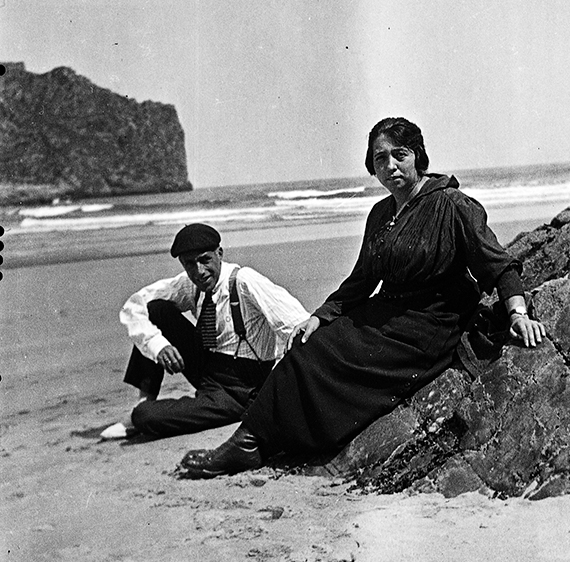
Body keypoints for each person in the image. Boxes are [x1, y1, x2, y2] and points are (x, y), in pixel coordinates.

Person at [178, 119, 546, 477]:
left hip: (429, 323)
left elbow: (496, 263)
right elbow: (361, 280)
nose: (390, 166)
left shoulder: (452, 205)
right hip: (386, 310)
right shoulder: (380, 213)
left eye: (399, 155)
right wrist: (320, 316)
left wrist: (517, 313)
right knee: (309, 347)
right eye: (380, 159)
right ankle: (252, 441)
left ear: (417, 155)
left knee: (331, 363)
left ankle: (257, 442)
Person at [100, 222, 308, 440]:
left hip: (240, 390)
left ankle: (141, 414)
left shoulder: (245, 281)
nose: (199, 271)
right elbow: (135, 306)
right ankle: (144, 400)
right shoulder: (192, 284)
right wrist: (157, 344)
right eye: (189, 264)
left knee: (145, 417)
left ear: (219, 253)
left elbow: (298, 325)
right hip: (208, 367)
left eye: (205, 260)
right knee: (156, 310)